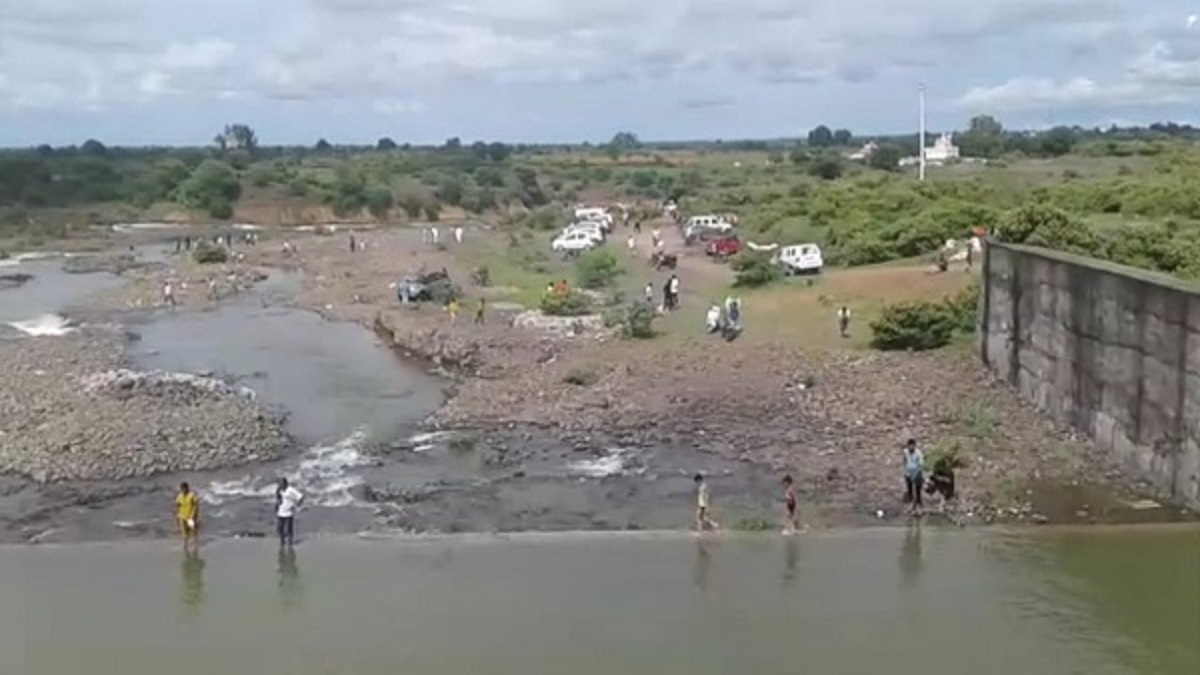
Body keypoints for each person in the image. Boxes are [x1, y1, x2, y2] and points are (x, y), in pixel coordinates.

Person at [275, 478, 304, 548]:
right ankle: (282, 542)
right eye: (280, 484)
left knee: (289, 529)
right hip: (280, 512)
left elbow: (301, 496)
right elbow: (278, 498)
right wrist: (277, 505)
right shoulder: (279, 490)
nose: (280, 485)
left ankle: (290, 543)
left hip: (289, 513)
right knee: (279, 528)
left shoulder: (291, 490)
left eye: (282, 484)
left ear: (286, 484)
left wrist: (297, 506)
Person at [175, 482, 200, 551]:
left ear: (187, 488)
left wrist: (196, 515)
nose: (183, 490)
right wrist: (177, 514)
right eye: (181, 489)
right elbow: (177, 505)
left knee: (193, 530)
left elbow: (196, 505)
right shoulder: (179, 496)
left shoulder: (192, 495)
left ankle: (195, 544)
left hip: (191, 516)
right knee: (183, 531)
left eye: (184, 488)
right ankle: (185, 544)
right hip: (182, 516)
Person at [902, 439, 925, 515]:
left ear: (915, 446)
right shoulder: (905, 452)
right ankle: (911, 507)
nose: (911, 447)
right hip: (909, 473)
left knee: (918, 492)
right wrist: (905, 471)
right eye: (909, 446)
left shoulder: (918, 453)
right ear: (908, 446)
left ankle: (919, 508)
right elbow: (905, 461)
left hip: (917, 473)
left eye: (912, 446)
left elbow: (920, 465)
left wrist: (915, 474)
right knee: (910, 491)